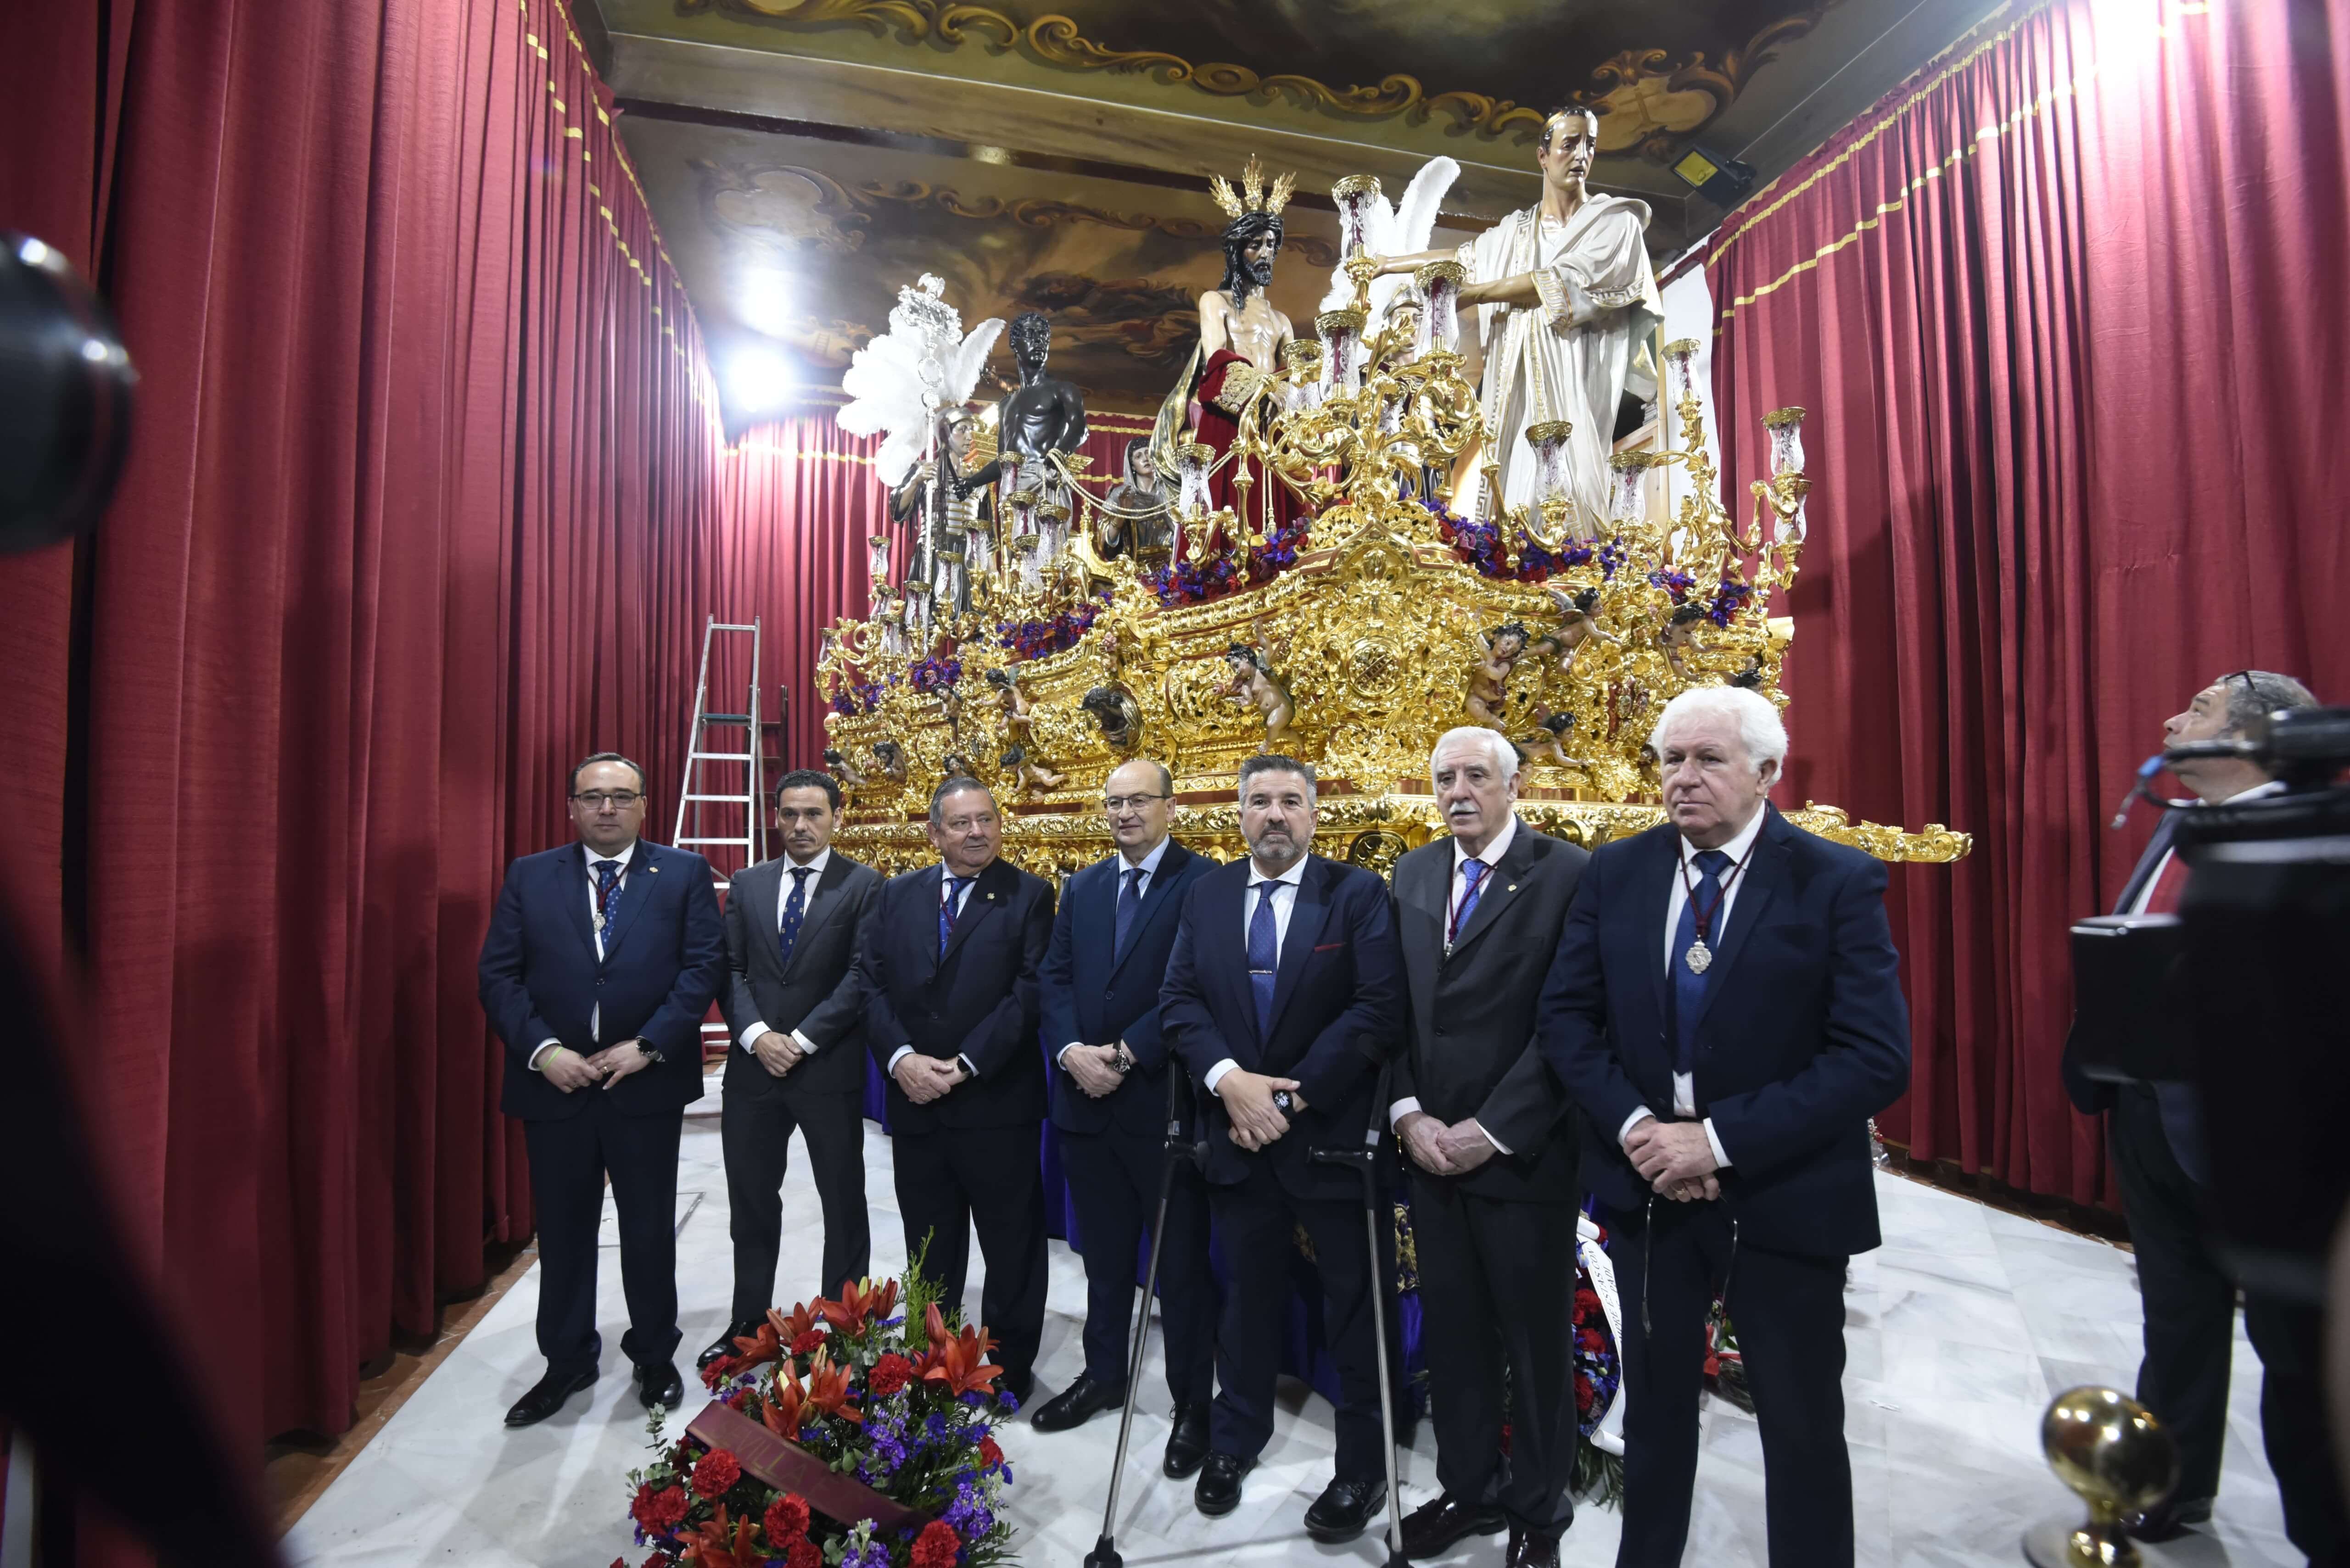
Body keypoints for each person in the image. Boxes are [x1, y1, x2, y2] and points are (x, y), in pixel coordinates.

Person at [1536, 688, 1909, 1567]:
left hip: (1782, 1196)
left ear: (1768, 772)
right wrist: (1639, 1126)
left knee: (1800, 1418)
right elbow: (1566, 1020)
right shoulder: (1617, 871)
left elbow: (1873, 1057)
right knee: (1659, 1412)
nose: (1684, 778)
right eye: (1671, 759)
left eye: (1708, 758)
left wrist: (1718, 1139)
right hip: (1647, 1187)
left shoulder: (1835, 880)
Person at [2061, 670, 2343, 1554]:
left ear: (2260, 737)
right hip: (2148, 1109)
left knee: (2290, 1337)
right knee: (2177, 1311)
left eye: (2202, 710)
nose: (2171, 718)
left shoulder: (2314, 846)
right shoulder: (2182, 826)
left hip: (2268, 1131)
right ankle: (2172, 1486)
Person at [1161, 754, 1403, 1541]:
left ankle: (1363, 1466)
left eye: (1289, 801)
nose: (1274, 814)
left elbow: (1375, 1009)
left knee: (1353, 1310)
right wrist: (1231, 1081)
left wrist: (1287, 1095)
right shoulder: (1208, 894)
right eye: (1259, 801)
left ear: (1312, 812)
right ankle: (1235, 1439)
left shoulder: (1358, 893)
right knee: (1247, 1298)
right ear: (1238, 814)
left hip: (1326, 1139)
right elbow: (1180, 1001)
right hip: (1235, 1135)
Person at [1388, 727, 1591, 1568]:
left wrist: (1493, 1128)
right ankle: (1471, 1489)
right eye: (1445, 777)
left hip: (1521, 1155)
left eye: (1477, 774)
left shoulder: (1568, 874)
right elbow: (1391, 1004)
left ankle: (1539, 1511)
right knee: (1457, 1335)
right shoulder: (1414, 871)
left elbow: (1573, 1020)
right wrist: (1408, 1113)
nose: (1459, 790)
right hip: (1430, 1153)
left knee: (1533, 1341)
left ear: (1515, 783)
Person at [477, 753, 726, 1426]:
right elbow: (499, 976)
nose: (607, 809)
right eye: (593, 797)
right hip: (554, 1085)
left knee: (649, 1230)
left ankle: (652, 1354)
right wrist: (543, 1051)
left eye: (621, 797)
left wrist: (649, 1045)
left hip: (643, 1083)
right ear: (572, 807)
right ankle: (567, 1361)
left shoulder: (682, 873)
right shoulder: (531, 876)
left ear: (645, 804)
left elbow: (703, 967)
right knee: (563, 1233)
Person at [1030, 758, 1219, 1477]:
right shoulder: (1083, 885)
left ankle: (1192, 1407)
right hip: (1083, 1104)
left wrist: (1125, 1053)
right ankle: (1104, 1376)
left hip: (1160, 1106)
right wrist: (1075, 1050)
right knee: (1103, 1261)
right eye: (1115, 802)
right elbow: (1054, 978)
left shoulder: (1204, 883)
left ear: (1172, 807)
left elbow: (1195, 983)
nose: (1126, 813)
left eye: (1140, 800)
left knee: (1180, 1268)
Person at [856, 775, 1056, 1404]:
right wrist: (902, 1058)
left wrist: (966, 1063)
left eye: (987, 820)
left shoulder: (1029, 895)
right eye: (962, 823)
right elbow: (869, 983)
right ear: (934, 832)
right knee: (930, 1244)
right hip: (916, 1103)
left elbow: (1029, 992)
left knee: (1012, 1247)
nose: (977, 833)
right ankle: (932, 1359)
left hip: (995, 1102)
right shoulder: (897, 896)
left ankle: (1006, 1368)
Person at [1371, 106, 1660, 527]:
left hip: (1576, 386)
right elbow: (1463, 258)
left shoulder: (1614, 223)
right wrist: (1390, 263)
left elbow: (1562, 281)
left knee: (1577, 497)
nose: (1582, 155)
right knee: (1515, 498)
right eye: (1570, 144)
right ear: (1543, 156)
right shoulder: (1516, 234)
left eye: (1590, 145)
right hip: (1516, 395)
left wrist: (1472, 294)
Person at [703, 768, 883, 1367]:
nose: (800, 825)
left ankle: (844, 1330)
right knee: (752, 1203)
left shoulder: (865, 885)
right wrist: (757, 1036)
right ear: (775, 817)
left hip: (826, 1067)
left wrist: (801, 1040)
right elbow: (729, 969)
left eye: (813, 813)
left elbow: (863, 976)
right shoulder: (749, 884)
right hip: (754, 1072)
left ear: (837, 817)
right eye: (789, 814)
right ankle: (748, 1324)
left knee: (843, 1202)